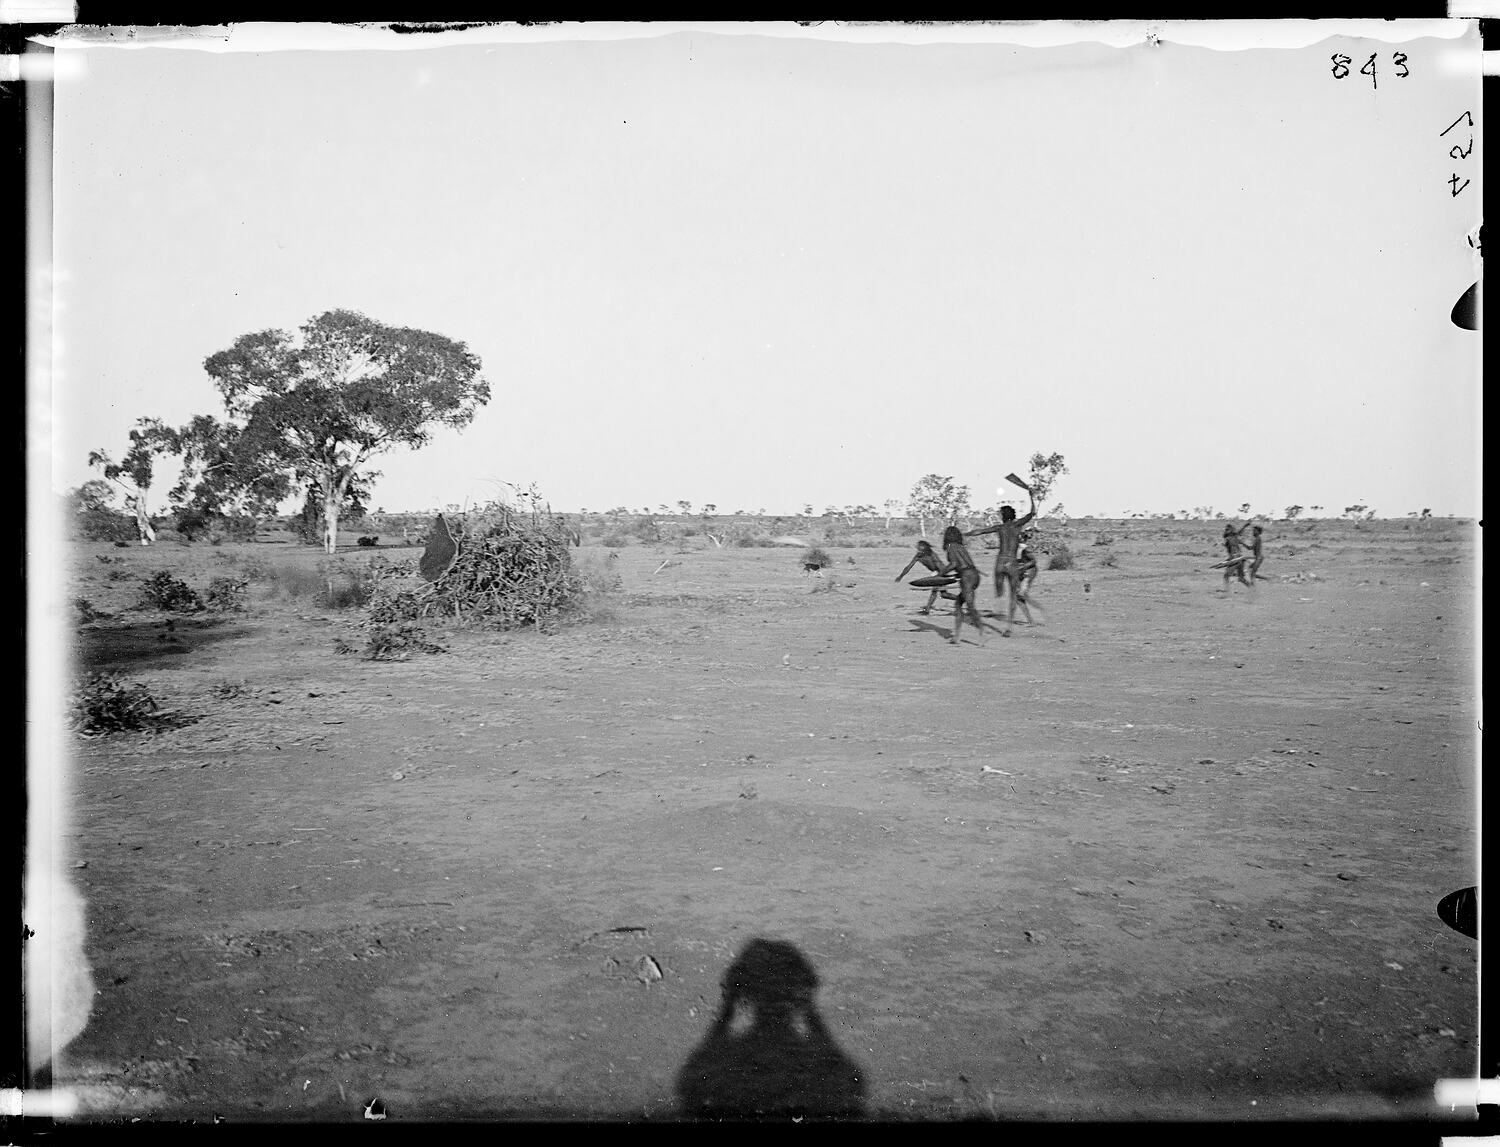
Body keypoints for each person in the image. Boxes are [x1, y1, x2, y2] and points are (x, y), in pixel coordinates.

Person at [967, 486, 1037, 632]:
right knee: (1013, 594)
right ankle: (1009, 626)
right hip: (1011, 562)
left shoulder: (1000, 527)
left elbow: (980, 531)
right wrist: (1030, 497)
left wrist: (964, 534)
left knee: (999, 591)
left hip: (1000, 562)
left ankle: (996, 604)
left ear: (1003, 516)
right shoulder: (1018, 525)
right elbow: (1032, 513)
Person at [936, 525, 986, 645]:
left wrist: (940, 574)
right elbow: (963, 564)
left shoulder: (950, 546)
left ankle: (981, 634)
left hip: (967, 577)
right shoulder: (960, 546)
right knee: (958, 603)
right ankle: (956, 637)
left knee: (970, 607)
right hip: (974, 576)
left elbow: (953, 564)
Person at [895, 540, 950, 614]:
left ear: (925, 550)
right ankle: (963, 599)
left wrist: (939, 577)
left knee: (935, 592)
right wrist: (901, 576)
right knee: (944, 595)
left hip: (941, 573)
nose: (918, 551)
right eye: (918, 549)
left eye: (920, 550)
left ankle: (927, 610)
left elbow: (941, 567)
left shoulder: (932, 555)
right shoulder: (918, 556)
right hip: (936, 573)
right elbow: (909, 567)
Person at [1220, 522, 1252, 588]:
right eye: (1226, 529)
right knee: (1241, 578)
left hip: (1235, 559)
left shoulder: (1228, 539)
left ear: (1231, 530)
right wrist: (1245, 526)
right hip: (1241, 559)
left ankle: (1227, 593)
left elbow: (1232, 549)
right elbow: (1240, 532)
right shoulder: (1235, 537)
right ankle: (1252, 588)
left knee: (1226, 576)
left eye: (1227, 530)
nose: (1226, 531)